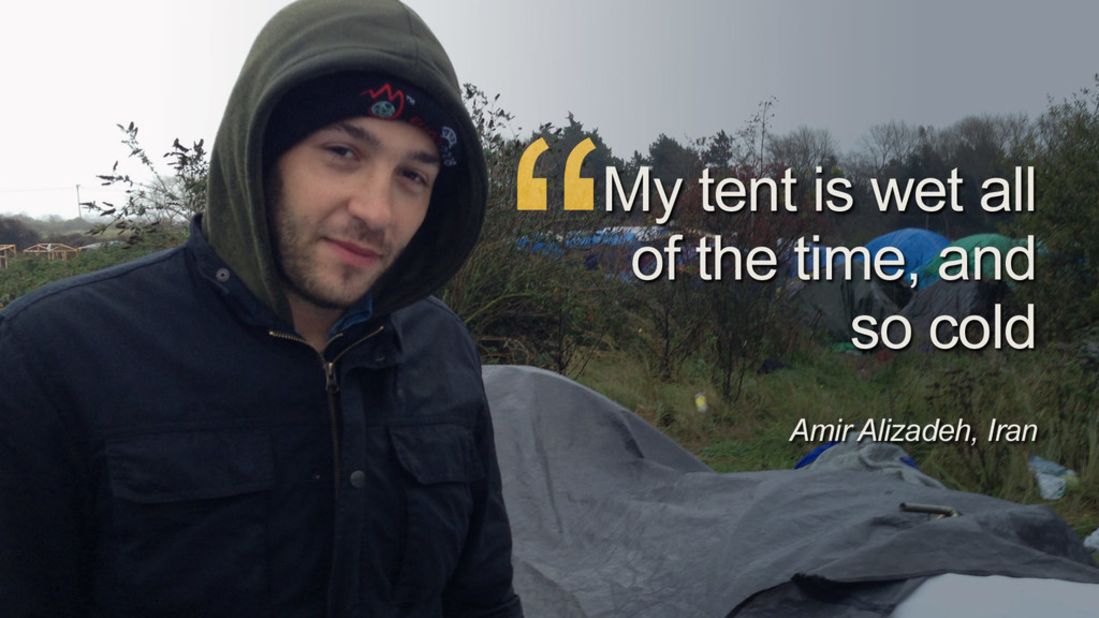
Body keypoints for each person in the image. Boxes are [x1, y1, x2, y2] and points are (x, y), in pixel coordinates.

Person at [0, 0, 522, 615]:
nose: (377, 210)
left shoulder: (443, 350)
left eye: (413, 175)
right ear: (259, 153)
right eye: (343, 152)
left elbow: (482, 599)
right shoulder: (54, 355)